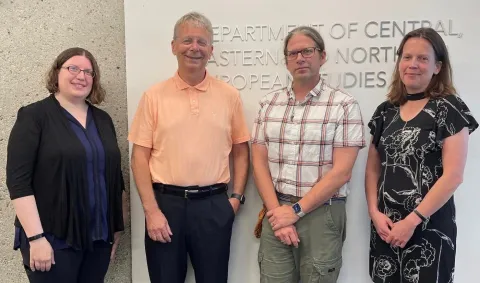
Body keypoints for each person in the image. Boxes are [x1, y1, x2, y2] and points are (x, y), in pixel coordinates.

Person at [128, 11, 250, 283]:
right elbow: (139, 157)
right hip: (165, 207)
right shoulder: (153, 96)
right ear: (173, 46)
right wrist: (151, 211)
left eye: (201, 42)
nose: (194, 48)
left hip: (214, 206)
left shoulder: (229, 96)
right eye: (187, 41)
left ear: (211, 50)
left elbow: (241, 151)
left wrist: (236, 199)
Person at [251, 26, 365, 283]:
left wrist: (297, 211)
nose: (300, 58)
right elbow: (258, 163)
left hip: (322, 213)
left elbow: (342, 172)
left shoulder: (344, 105)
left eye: (307, 51)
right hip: (276, 210)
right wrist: (279, 214)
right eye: (293, 54)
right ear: (286, 61)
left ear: (322, 56)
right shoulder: (268, 104)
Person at [366, 27, 478, 283]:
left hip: (429, 228)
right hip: (385, 228)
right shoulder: (385, 111)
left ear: (437, 66)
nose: (412, 64)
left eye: (422, 58)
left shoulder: (449, 108)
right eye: (407, 57)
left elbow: (453, 176)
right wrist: (374, 212)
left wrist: (412, 221)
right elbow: (373, 168)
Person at [6, 47, 127, 283]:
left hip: (99, 238)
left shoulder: (103, 120)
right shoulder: (34, 116)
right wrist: (36, 239)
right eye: (73, 68)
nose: (81, 76)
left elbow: (114, 177)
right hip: (52, 240)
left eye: (88, 72)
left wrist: (116, 227)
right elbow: (18, 183)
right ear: (56, 73)